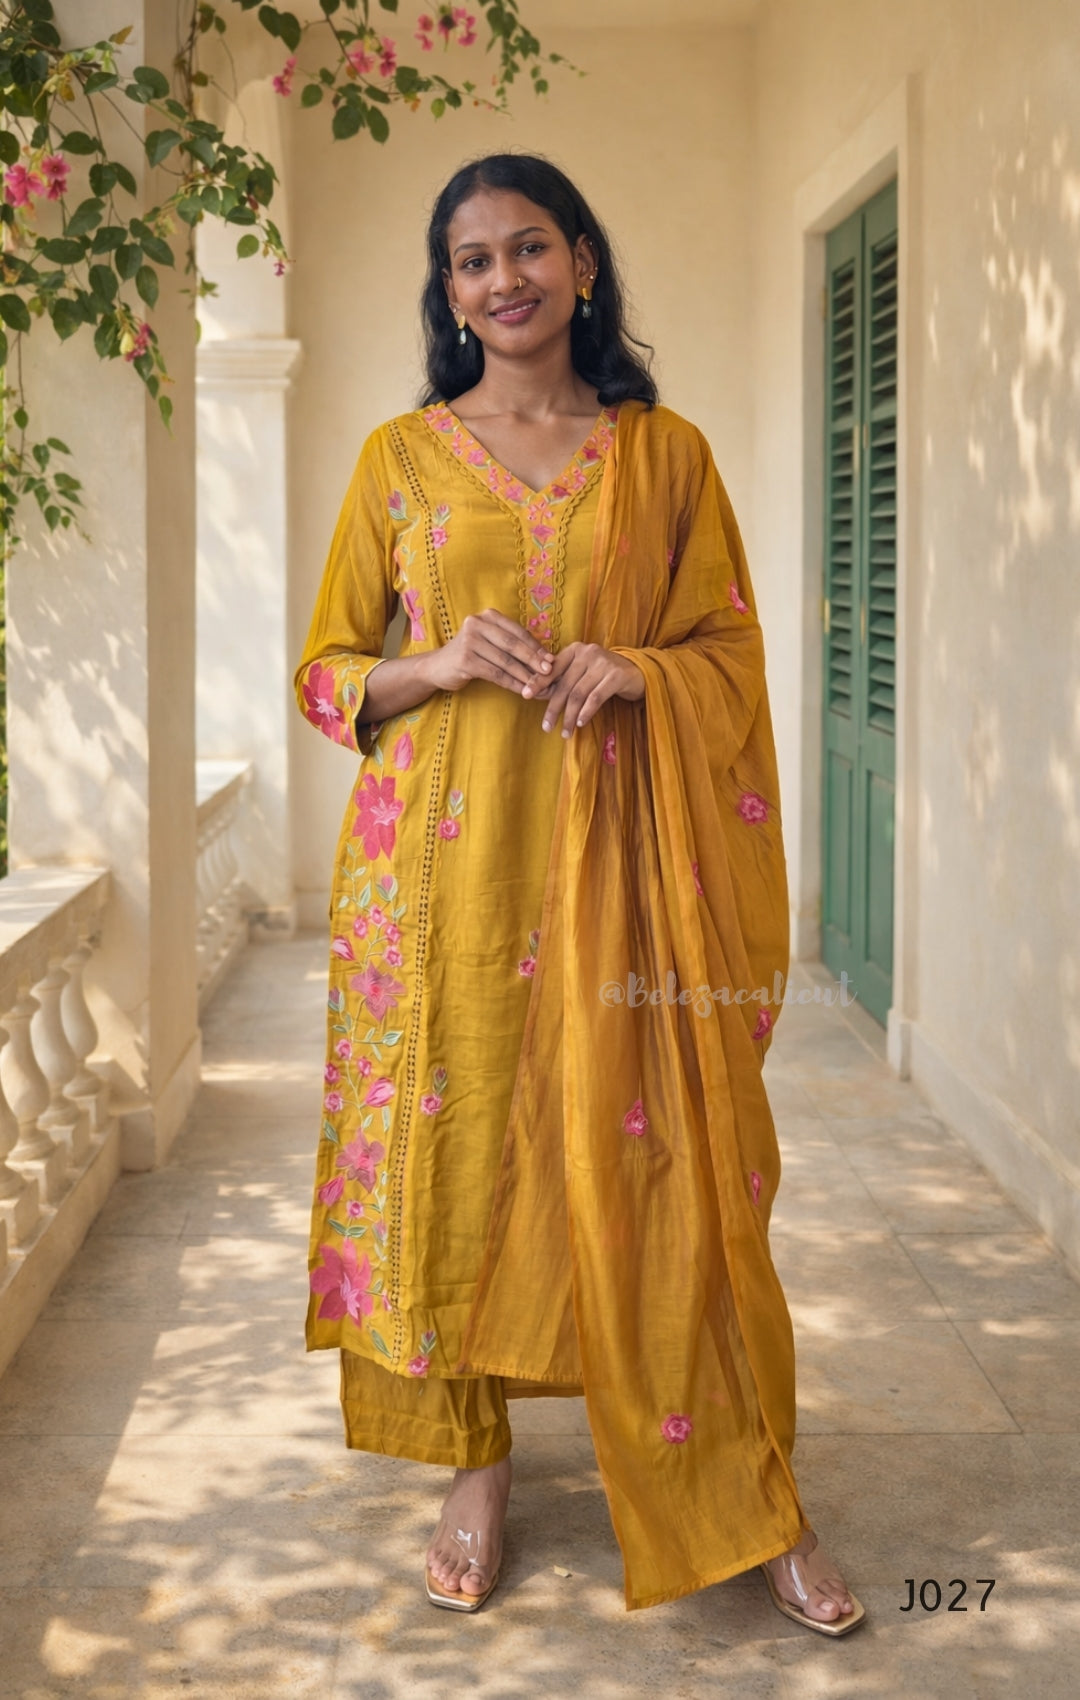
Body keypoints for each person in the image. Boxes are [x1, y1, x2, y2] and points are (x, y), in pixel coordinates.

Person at [293, 152, 864, 1636]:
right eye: (472, 260)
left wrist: (642, 669)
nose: (505, 279)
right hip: (441, 886)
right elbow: (326, 672)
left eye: (530, 247)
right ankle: (473, 1466)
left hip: (635, 875)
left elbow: (730, 650)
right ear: (450, 292)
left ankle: (746, 1488)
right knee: (455, 1155)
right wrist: (433, 662)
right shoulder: (400, 459)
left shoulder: (664, 457)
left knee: (676, 1171)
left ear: (584, 262)